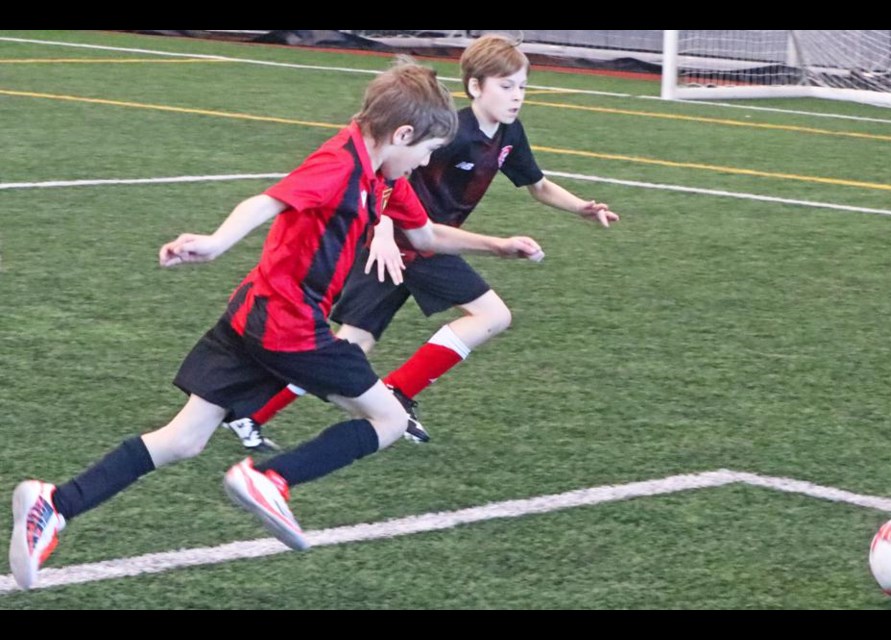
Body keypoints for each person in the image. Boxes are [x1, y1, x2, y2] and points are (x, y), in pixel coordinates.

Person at [8, 58, 546, 590]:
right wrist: (215, 242)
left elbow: (425, 236)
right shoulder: (340, 162)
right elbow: (266, 201)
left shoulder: (381, 175)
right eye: (425, 151)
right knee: (387, 421)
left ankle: (54, 504)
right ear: (402, 133)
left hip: (253, 315)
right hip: (289, 322)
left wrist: (498, 246)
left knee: (183, 439)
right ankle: (269, 479)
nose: (425, 161)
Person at [224, 33, 620, 451]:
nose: (517, 96)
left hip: (415, 244)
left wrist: (581, 208)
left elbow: (537, 185)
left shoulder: (509, 133)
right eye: (506, 86)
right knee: (492, 314)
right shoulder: (451, 132)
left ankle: (253, 414)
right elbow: (389, 178)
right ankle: (398, 391)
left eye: (522, 87)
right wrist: (379, 234)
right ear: (474, 87)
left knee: (351, 343)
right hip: (415, 242)